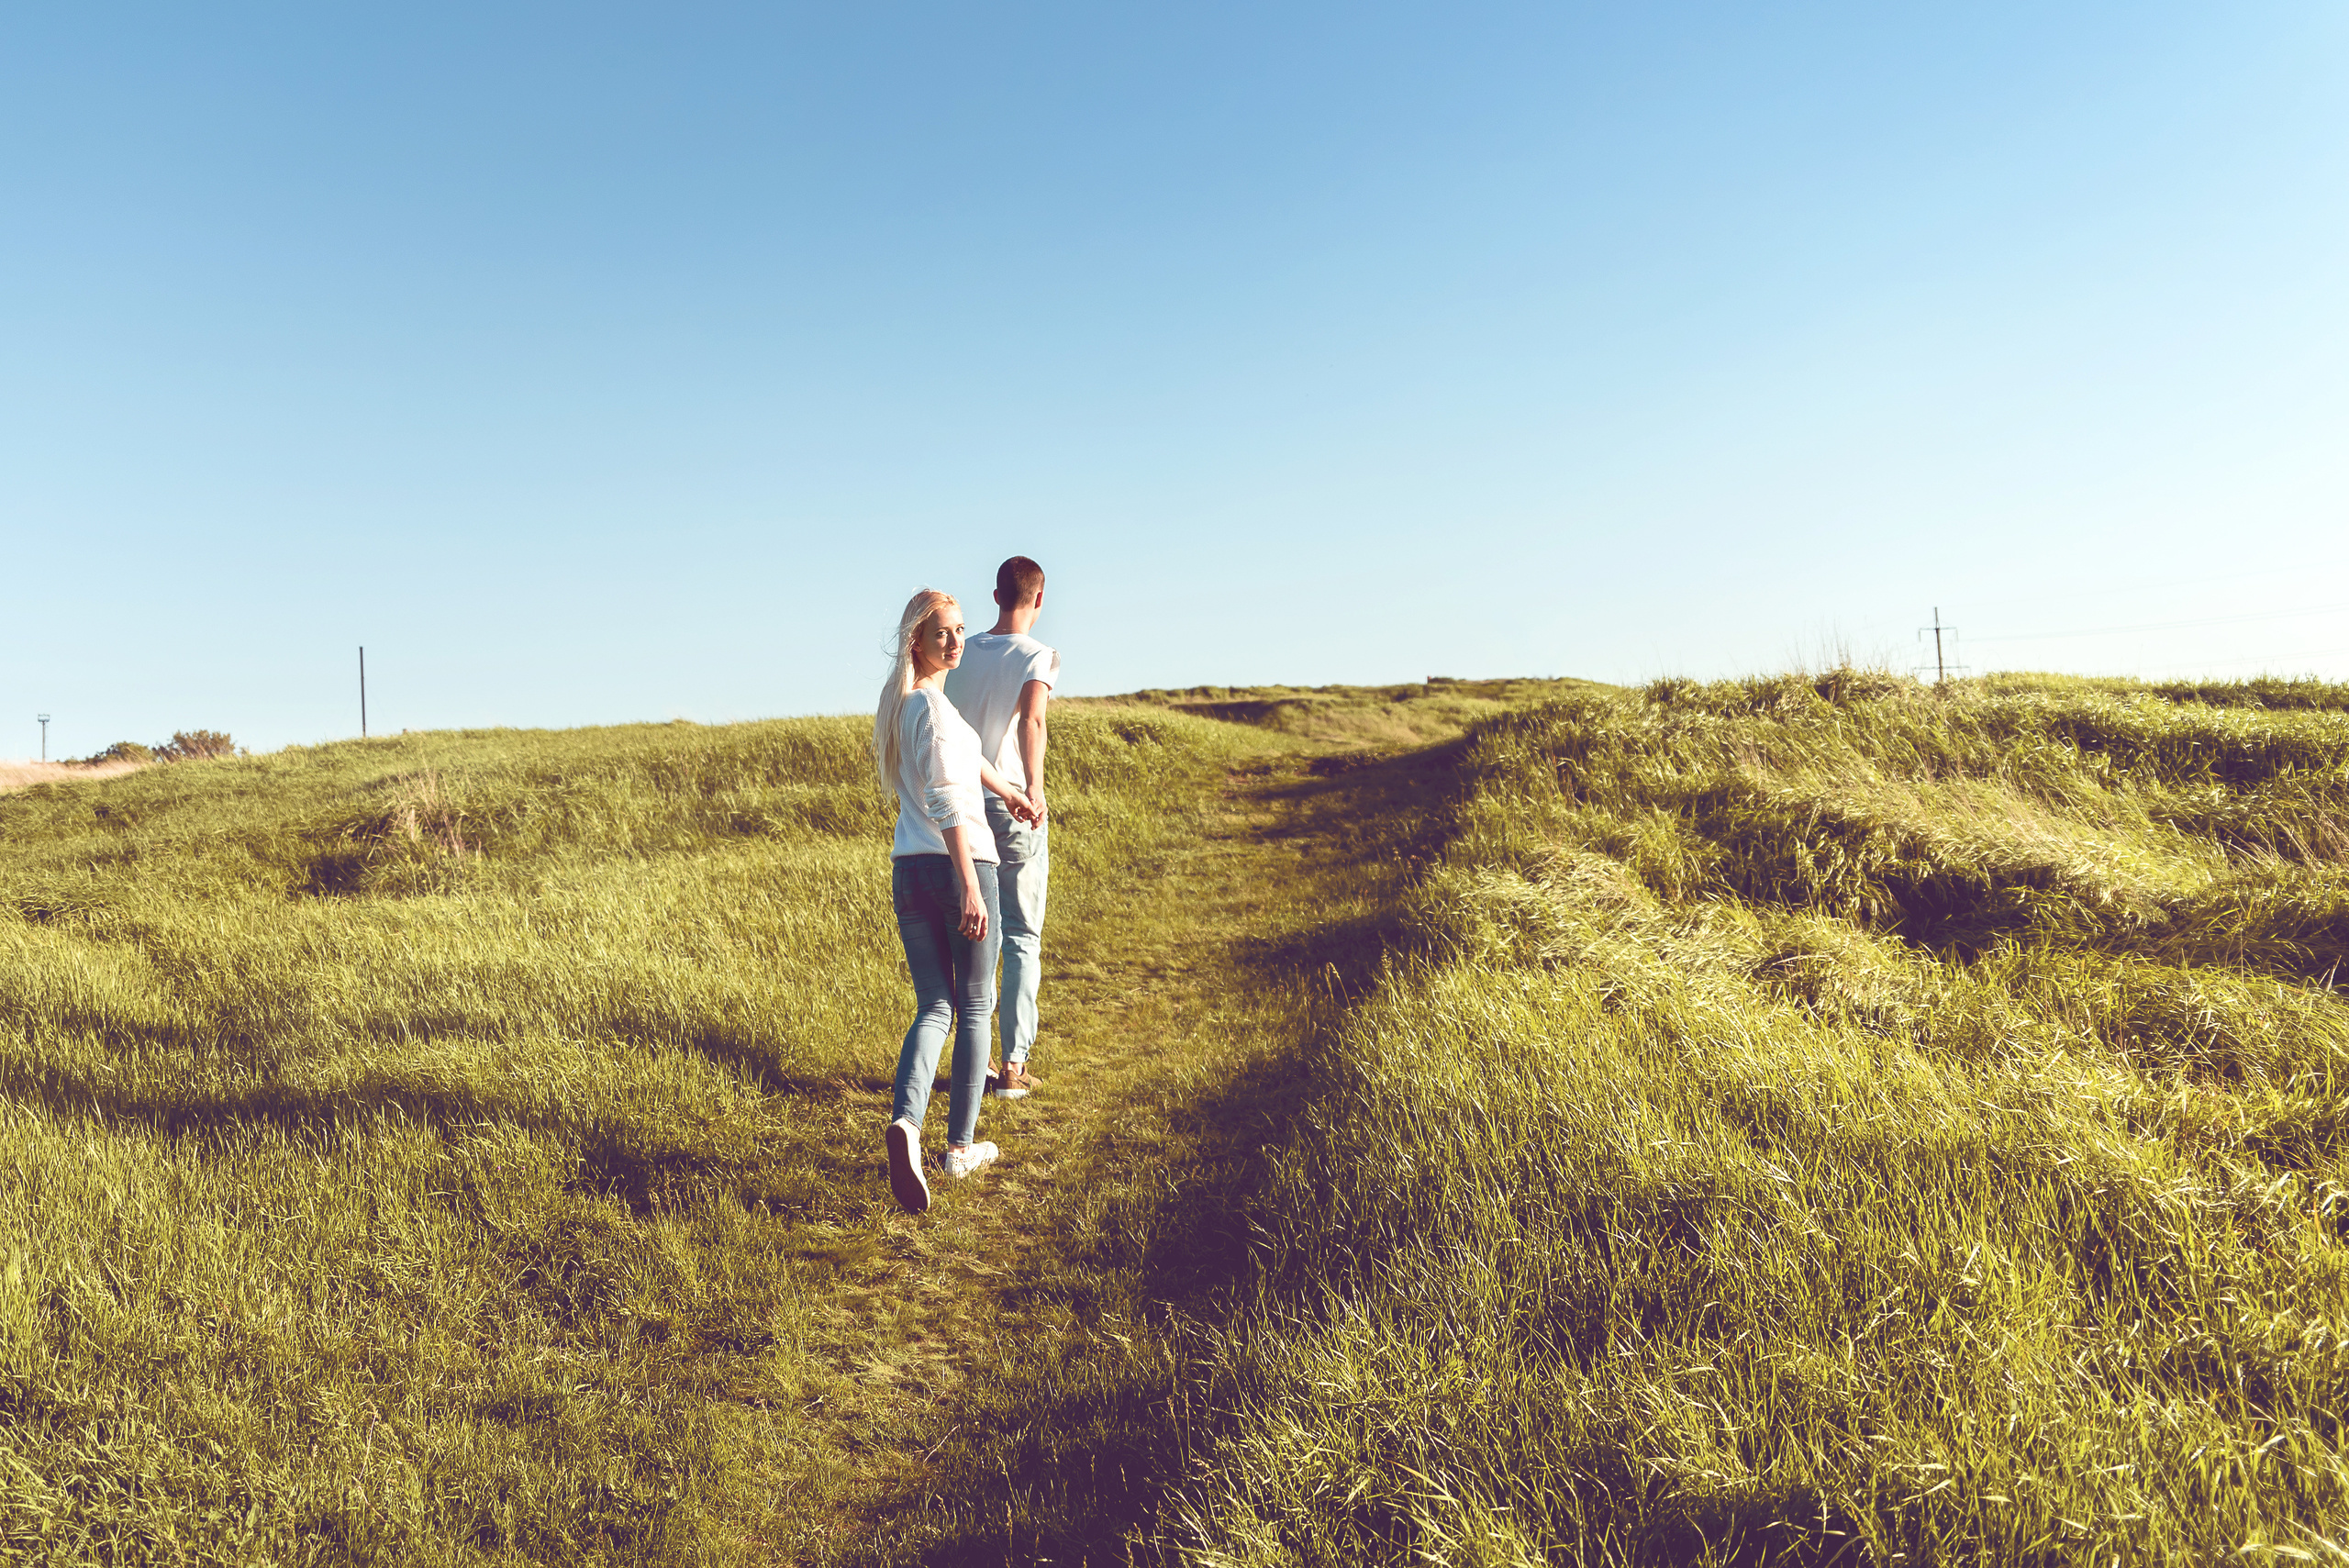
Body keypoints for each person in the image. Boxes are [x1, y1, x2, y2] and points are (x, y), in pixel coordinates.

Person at [874, 588, 1039, 1214]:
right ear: (916, 639)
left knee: (934, 1004)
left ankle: (906, 1126)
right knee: (974, 1002)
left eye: (960, 630)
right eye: (941, 632)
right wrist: (970, 882)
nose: (954, 641)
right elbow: (947, 797)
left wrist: (1013, 793)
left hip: (909, 871)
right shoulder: (933, 712)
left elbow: (967, 765)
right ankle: (960, 1145)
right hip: (957, 866)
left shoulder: (912, 708)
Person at [944, 556, 1059, 1100]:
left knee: (977, 931)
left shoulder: (960, 654)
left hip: (962, 807)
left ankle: (977, 1057)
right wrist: (1033, 788)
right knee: (1022, 934)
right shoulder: (1038, 654)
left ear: (995, 595)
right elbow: (1033, 720)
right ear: (1039, 599)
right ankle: (1013, 1066)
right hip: (1010, 804)